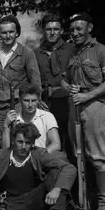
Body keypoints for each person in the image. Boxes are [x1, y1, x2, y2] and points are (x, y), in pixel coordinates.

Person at [60, 12, 105, 210]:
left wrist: (88, 95)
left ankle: (104, 204)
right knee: (78, 155)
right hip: (75, 108)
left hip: (95, 107)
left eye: (79, 28)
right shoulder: (73, 54)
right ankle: (83, 199)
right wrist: (69, 88)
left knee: (98, 156)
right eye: (72, 30)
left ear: (90, 28)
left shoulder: (103, 52)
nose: (75, 33)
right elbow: (63, 79)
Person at [0, 15, 42, 132]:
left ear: (17, 33)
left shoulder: (26, 53)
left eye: (11, 32)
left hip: (19, 106)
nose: (8, 36)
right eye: (4, 32)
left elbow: (35, 82)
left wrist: (34, 105)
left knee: (19, 138)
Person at [34, 13, 76, 151]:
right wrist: (38, 98)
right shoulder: (36, 53)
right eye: (48, 29)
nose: (52, 33)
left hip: (67, 101)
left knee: (70, 140)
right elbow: (33, 78)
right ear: (44, 31)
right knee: (47, 140)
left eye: (56, 29)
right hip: (46, 102)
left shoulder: (72, 50)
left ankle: (72, 171)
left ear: (62, 31)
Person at [1, 83, 61, 154]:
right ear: (20, 100)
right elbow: (5, 150)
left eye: (33, 101)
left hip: (41, 158)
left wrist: (40, 155)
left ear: (38, 100)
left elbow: (56, 144)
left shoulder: (47, 116)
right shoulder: (13, 119)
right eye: (26, 101)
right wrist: (6, 126)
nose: (30, 105)